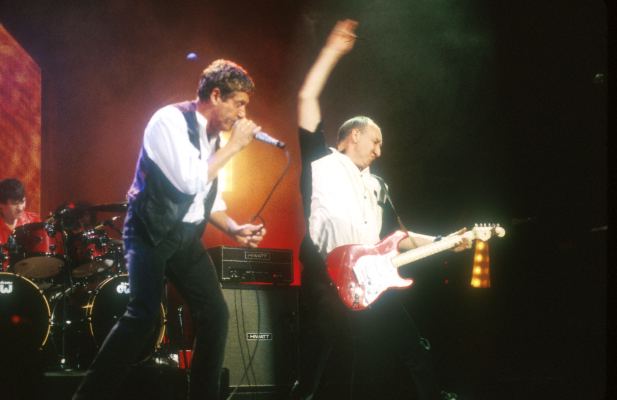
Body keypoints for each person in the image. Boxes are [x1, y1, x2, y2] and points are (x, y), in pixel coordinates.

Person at [292, 20, 466, 400]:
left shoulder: (376, 185)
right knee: (320, 368)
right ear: (354, 134)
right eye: (376, 140)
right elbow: (307, 97)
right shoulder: (320, 162)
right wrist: (332, 52)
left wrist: (445, 240)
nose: (379, 150)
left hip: (370, 283)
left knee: (412, 349)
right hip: (325, 281)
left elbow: (397, 239)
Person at [73, 59, 266, 400]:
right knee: (143, 316)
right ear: (217, 95)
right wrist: (236, 146)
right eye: (239, 103)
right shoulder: (169, 122)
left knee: (215, 315)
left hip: (185, 236)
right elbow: (189, 181)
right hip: (149, 229)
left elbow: (209, 197)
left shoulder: (214, 140)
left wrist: (234, 228)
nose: (242, 113)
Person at [0, 178, 41, 245]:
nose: (20, 208)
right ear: (1, 204)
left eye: (22, 202)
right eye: (14, 203)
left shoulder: (34, 221)